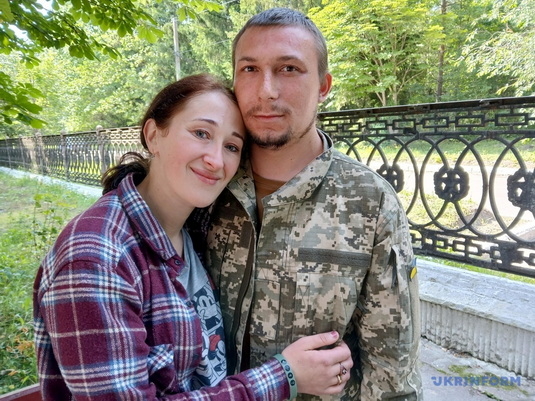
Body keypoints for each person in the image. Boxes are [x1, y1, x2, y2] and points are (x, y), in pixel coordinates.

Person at [33, 73, 353, 400]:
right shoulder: (96, 258)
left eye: (231, 146)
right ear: (153, 136)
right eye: (201, 133)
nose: (216, 160)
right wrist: (284, 376)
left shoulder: (198, 228)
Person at [195, 8, 423, 400]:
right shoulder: (205, 185)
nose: (267, 90)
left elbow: (392, 370)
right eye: (249, 69)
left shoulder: (369, 202)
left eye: (289, 69)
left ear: (323, 86)